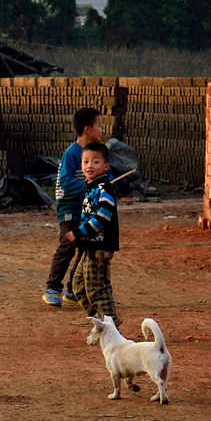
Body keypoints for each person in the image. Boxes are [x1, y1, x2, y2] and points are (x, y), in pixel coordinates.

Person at [43, 105, 103, 307]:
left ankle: (72, 290)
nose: (101, 130)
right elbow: (67, 183)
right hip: (69, 206)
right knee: (68, 246)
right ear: (88, 129)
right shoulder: (72, 153)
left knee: (86, 248)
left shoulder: (94, 154)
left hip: (85, 208)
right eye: (99, 125)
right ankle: (52, 288)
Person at [67, 141, 122, 328]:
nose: (89, 166)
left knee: (97, 289)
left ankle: (111, 327)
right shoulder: (90, 187)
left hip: (101, 246)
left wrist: (79, 232)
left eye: (95, 162)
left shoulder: (104, 189)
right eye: (85, 162)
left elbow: (103, 217)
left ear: (105, 166)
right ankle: (100, 323)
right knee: (79, 286)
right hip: (89, 246)